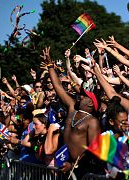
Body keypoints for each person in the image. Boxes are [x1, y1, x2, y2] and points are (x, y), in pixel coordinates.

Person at [41, 47, 104, 179]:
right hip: (64, 164)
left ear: (91, 104)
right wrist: (50, 66)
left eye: (85, 96)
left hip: (82, 170)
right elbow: (58, 87)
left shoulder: (92, 121)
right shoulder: (72, 108)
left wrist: (74, 164)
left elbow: (92, 150)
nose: (81, 96)